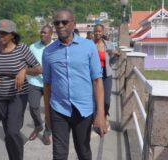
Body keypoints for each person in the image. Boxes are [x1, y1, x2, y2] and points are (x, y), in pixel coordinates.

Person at [42, 9, 108, 160]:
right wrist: (47, 114)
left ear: (73, 24)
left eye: (64, 22)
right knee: (59, 155)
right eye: (57, 23)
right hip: (58, 109)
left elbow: (97, 81)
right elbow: (47, 85)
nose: (60, 25)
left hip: (83, 110)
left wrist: (100, 113)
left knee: (83, 152)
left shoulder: (88, 47)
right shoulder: (48, 52)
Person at [0, 19, 41, 160]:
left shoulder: (22, 49)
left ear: (12, 35)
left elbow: (38, 69)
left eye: (4, 33)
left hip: (18, 94)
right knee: (8, 133)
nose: (1, 36)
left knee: (12, 131)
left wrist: (24, 71)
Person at [27, 25, 53, 145]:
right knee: (33, 106)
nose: (42, 35)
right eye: (41, 33)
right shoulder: (32, 47)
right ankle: (38, 125)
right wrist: (32, 70)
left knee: (50, 109)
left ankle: (47, 133)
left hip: (51, 84)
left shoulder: (56, 46)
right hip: (34, 82)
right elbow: (25, 63)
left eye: (45, 33)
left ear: (51, 34)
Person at [93, 24, 120, 128]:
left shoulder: (108, 45)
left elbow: (112, 62)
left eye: (100, 31)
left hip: (106, 75)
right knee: (95, 99)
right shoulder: (90, 45)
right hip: (94, 76)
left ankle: (104, 115)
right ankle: (97, 119)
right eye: (96, 31)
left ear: (103, 32)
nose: (98, 33)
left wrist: (116, 55)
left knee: (106, 100)